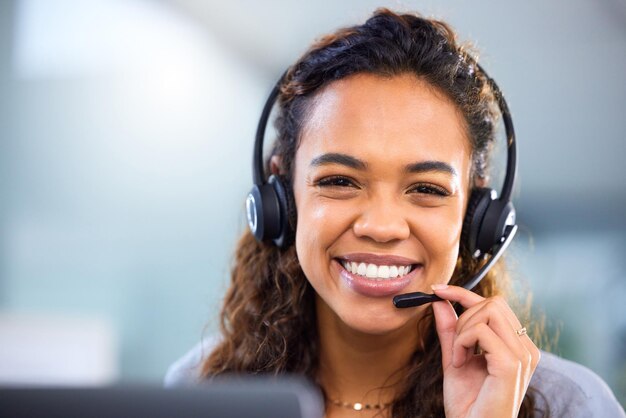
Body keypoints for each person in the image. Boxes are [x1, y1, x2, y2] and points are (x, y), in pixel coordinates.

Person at [165, 9, 626, 418]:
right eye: (339, 181)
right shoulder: (201, 389)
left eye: (425, 189)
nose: (381, 227)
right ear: (281, 196)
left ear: (476, 215)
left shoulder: (571, 406)